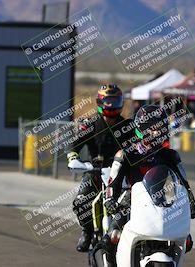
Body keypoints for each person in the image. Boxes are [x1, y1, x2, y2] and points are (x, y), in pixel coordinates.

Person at [96, 105, 195, 262]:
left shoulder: (171, 156)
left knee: (186, 240)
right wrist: (110, 199)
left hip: (165, 202)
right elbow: (113, 182)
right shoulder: (125, 154)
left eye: (160, 127)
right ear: (141, 128)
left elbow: (184, 183)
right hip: (130, 202)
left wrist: (191, 202)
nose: (156, 132)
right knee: (111, 238)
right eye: (152, 128)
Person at [67, 84, 132, 252]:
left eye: (115, 101)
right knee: (81, 201)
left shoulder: (127, 126)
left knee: (133, 200)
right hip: (95, 172)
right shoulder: (90, 124)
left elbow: (138, 146)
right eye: (108, 101)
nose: (111, 105)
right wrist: (74, 158)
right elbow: (74, 146)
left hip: (120, 174)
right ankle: (87, 232)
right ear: (100, 101)